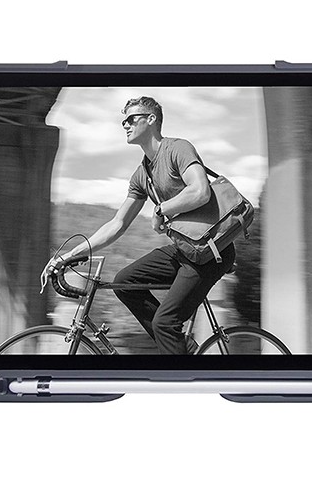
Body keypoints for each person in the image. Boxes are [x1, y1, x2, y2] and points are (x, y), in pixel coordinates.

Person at [40, 96, 235, 354]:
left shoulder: (177, 149)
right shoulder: (142, 174)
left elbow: (200, 191)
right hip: (185, 250)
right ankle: (183, 349)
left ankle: (179, 366)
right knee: (125, 282)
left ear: (151, 119)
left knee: (165, 323)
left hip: (210, 252)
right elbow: (117, 223)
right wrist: (68, 256)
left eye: (132, 119)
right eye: (124, 121)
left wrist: (161, 209)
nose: (126, 125)